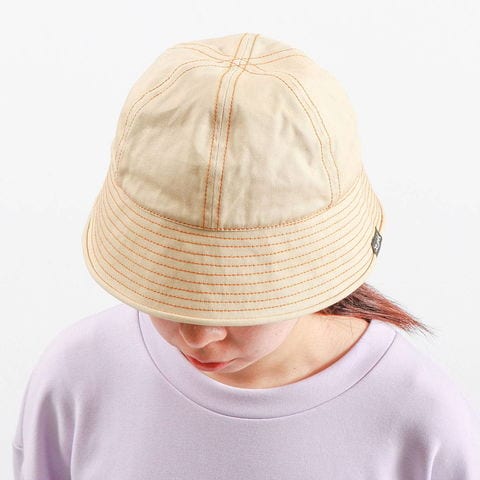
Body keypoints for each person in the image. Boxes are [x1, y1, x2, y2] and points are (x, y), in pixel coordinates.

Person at [12, 32, 480, 479]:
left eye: (236, 296)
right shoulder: (78, 379)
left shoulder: (422, 425)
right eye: (172, 288)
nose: (198, 335)